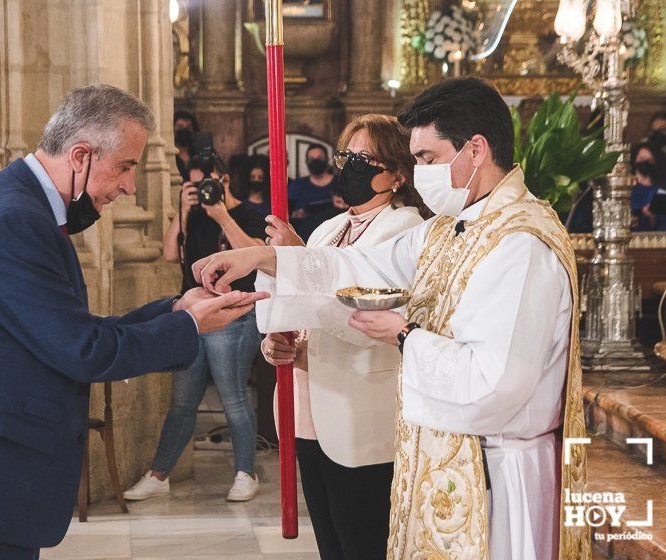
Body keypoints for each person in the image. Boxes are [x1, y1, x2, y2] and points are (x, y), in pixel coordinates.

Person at [193, 78, 590, 560]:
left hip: (498, 474)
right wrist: (262, 259)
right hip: (448, 455)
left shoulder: (520, 245)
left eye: (426, 158)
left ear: (477, 150)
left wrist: (404, 336)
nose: (419, 170)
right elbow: (364, 267)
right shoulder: (451, 228)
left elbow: (496, 384)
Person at [0, 85, 266, 560]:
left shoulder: (25, 205)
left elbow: (68, 329)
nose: (131, 186)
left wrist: (176, 309)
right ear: (81, 155)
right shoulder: (16, 219)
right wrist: (189, 327)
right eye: (126, 166)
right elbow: (81, 348)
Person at [259, 114, 429, 560]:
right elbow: (300, 306)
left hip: (362, 410)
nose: (351, 166)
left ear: (397, 173)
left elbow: (364, 311)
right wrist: (282, 345)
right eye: (346, 156)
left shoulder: (406, 229)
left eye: (365, 158)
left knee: (363, 540)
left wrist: (297, 257)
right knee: (331, 541)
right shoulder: (327, 229)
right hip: (310, 406)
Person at [124, 154, 267, 503]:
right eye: (196, 185)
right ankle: (160, 475)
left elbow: (258, 253)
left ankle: (245, 473)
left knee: (232, 397)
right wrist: (183, 213)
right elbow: (171, 254)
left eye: (208, 183)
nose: (203, 191)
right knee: (182, 401)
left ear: (225, 180)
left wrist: (221, 214)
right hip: (194, 316)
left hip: (234, 315)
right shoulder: (194, 216)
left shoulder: (247, 213)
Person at [630, 142, 666, 231]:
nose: (645, 162)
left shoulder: (663, 186)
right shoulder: (629, 187)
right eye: (642, 159)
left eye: (650, 160)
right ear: (635, 160)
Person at [173, 110, 199, 178]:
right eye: (180, 126)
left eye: (188, 127)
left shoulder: (197, 153)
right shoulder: (170, 154)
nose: (184, 130)